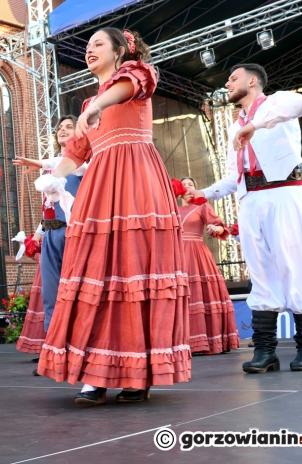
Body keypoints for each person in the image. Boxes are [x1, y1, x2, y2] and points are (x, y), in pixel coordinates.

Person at [35, 28, 191, 404]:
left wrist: (94, 107)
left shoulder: (138, 75)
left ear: (120, 51)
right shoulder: (93, 100)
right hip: (100, 189)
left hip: (136, 182)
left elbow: (126, 86)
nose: (90, 50)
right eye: (87, 47)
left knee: (133, 272)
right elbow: (76, 151)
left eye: (98, 44)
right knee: (96, 275)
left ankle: (137, 374)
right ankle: (96, 372)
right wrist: (52, 179)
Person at [187, 63, 302, 373]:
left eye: (233, 79)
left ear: (252, 81)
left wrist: (256, 126)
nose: (228, 84)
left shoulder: (276, 103)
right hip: (251, 199)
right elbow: (235, 175)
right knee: (260, 271)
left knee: (296, 264)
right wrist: (204, 194)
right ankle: (265, 350)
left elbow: (301, 104)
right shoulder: (235, 127)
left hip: (284, 193)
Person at [14, 116, 86, 374]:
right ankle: (54, 354)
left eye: (69, 127)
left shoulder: (83, 162)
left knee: (77, 292)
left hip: (74, 233)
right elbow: (49, 209)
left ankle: (82, 351)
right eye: (59, 129)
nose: (62, 131)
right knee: (51, 295)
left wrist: (41, 162)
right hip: (53, 233)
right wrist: (37, 233)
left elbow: (68, 165)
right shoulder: (52, 171)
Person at [175, 177, 239, 355]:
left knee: (199, 294)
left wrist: (215, 229)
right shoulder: (171, 209)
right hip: (176, 255)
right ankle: (182, 341)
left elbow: (219, 227)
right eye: (184, 184)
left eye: (191, 184)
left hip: (196, 254)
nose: (187, 187)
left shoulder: (202, 206)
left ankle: (205, 341)